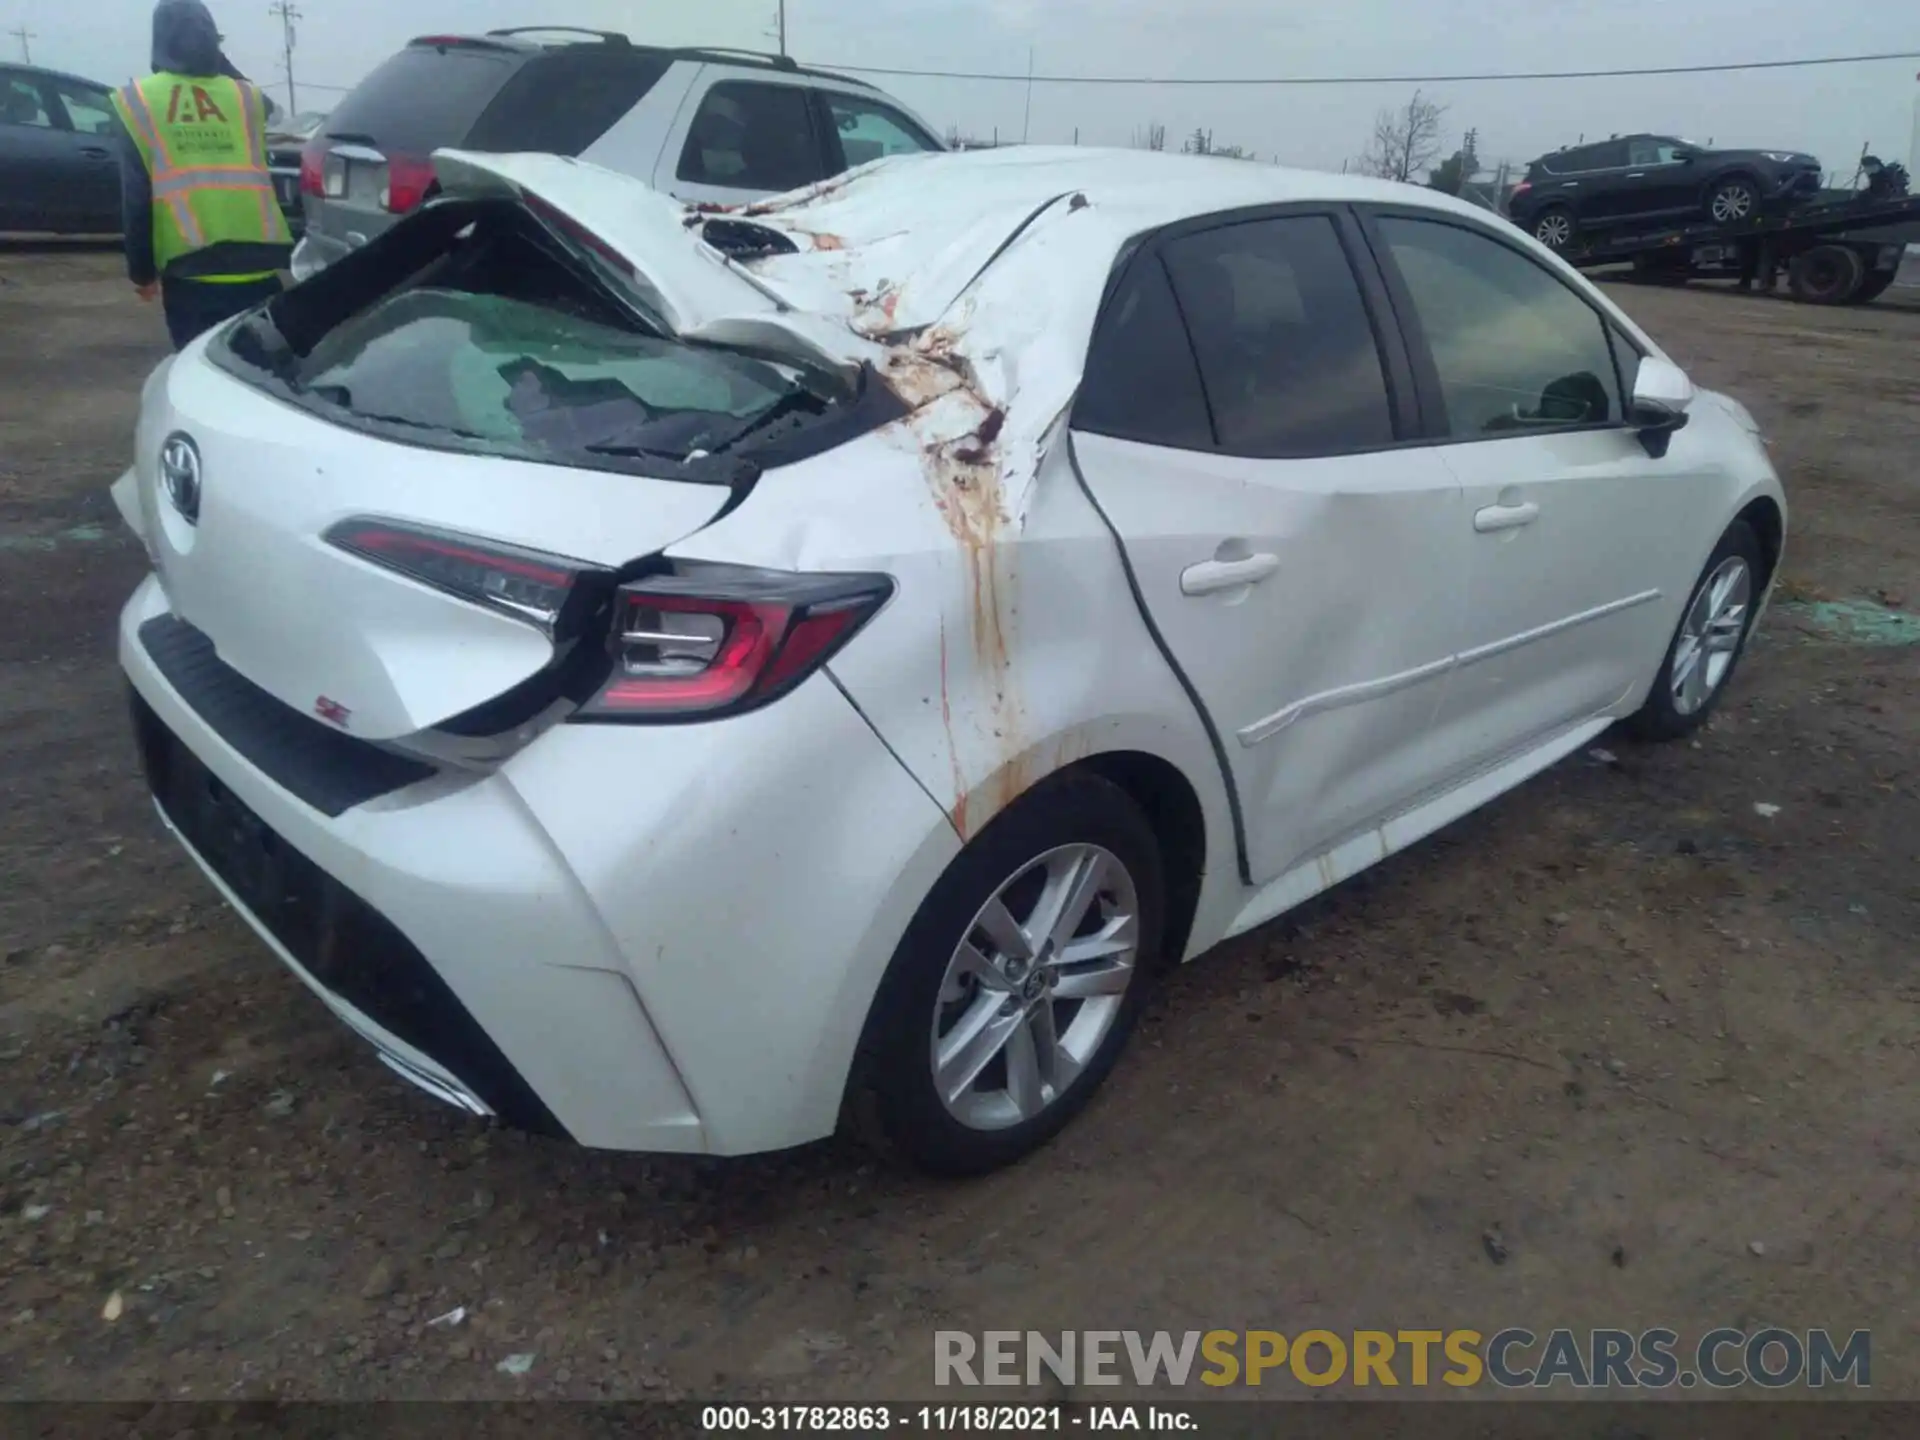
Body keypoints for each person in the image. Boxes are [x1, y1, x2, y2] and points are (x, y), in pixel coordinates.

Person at [113, 0, 292, 350]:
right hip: (259, 266)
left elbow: (136, 197)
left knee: (203, 375)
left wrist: (142, 272)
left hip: (191, 273)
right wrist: (212, 56)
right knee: (260, 375)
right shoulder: (246, 97)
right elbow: (269, 107)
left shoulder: (137, 101)